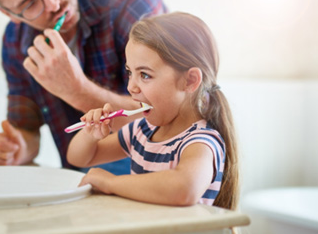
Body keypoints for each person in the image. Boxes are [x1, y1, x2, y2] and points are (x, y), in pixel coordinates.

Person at [0, 0, 167, 173]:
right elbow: (27, 130)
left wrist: (76, 90)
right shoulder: (15, 41)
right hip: (80, 183)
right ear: (10, 15)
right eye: (30, 4)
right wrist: (16, 149)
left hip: (156, 178)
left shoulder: (132, 4)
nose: (54, 4)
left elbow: (164, 115)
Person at [67, 12, 239, 210]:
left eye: (145, 75)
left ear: (190, 80)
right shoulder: (141, 131)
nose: (131, 87)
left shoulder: (200, 141)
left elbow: (184, 188)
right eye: (130, 72)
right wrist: (90, 135)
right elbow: (80, 158)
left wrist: (111, 183)